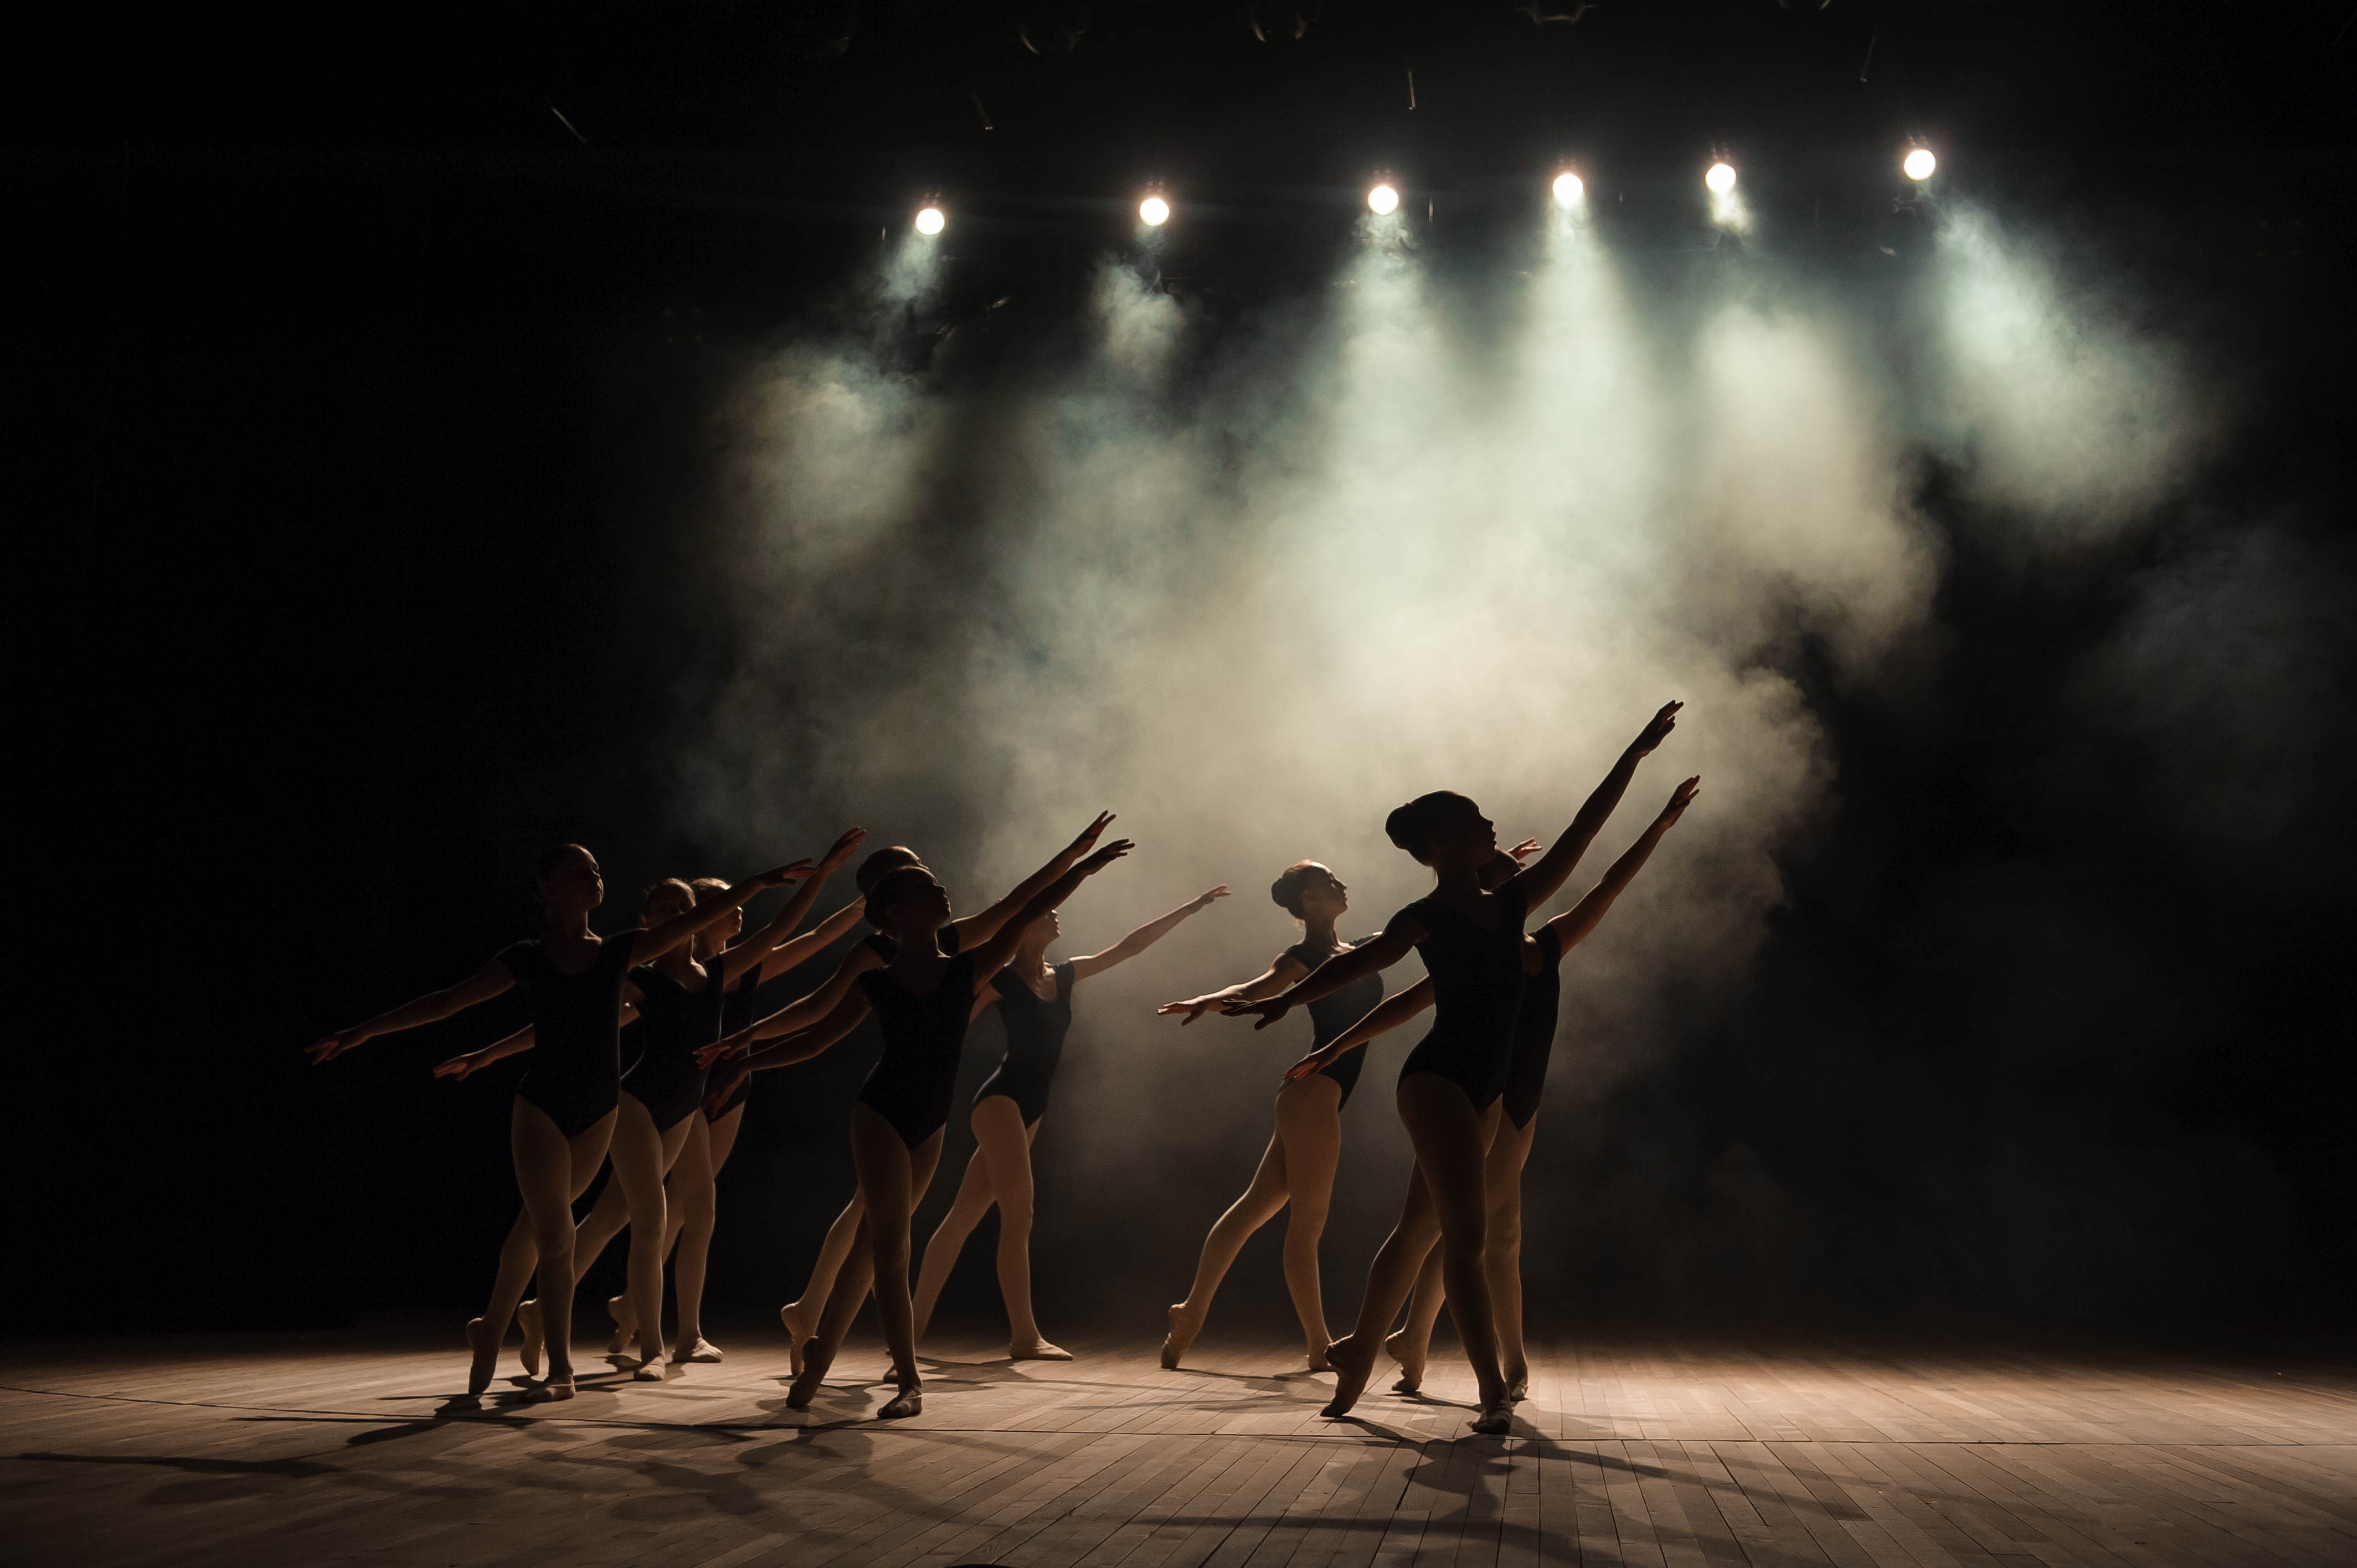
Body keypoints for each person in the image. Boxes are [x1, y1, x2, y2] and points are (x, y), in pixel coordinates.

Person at [1224, 701, 1682, 1433]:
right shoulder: (1424, 918)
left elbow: (1584, 837)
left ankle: (1357, 1363)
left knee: (1417, 1230)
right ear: (1444, 843)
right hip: (1436, 1082)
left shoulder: (1515, 907)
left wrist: (1636, 754)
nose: (1491, 825)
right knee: (1464, 1240)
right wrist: (1283, 1003)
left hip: (1489, 1091)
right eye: (1476, 819)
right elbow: (1369, 969)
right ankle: (1494, 1390)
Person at [306, 844, 803, 1400]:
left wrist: (759, 882)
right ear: (544, 888)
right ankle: (561, 1368)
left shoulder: (619, 954)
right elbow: (448, 1001)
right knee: (556, 1232)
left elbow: (697, 920)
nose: (593, 875)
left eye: (596, 868)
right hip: (541, 1104)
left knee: (539, 1229)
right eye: (577, 869)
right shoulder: (528, 957)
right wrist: (362, 1032)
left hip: (598, 1110)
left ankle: (493, 1325)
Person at [713, 838, 1134, 1418]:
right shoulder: (875, 971)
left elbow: (1019, 909)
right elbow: (818, 1029)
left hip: (929, 1122)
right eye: (921, 884)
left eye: (936, 881)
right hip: (881, 1112)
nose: (939, 886)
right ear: (891, 911)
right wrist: (746, 1054)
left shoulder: (967, 965)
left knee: (870, 1247)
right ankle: (908, 1381)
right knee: (889, 1246)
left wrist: (1082, 867)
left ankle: (814, 1365)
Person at [437, 828, 867, 1371]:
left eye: (685, 907)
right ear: (654, 922)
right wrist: (488, 1054)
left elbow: (791, 929)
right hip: (640, 1101)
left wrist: (827, 874)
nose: (685, 916)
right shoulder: (639, 978)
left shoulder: (718, 972)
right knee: (635, 1216)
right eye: (669, 909)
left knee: (664, 1214)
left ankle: (591, 1322)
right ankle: (625, 1335)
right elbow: (570, 1020)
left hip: (689, 1105)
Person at [1148, 847, 1524, 1373]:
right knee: (1307, 1224)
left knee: (1255, 1207)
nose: (1342, 883)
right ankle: (1318, 1345)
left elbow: (1438, 914)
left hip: (1312, 1093)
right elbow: (1259, 988)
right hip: (1314, 1091)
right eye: (1330, 881)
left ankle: (1189, 1312)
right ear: (1309, 899)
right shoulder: (1303, 957)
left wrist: (1494, 868)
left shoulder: (1363, 947)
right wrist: (1207, 1000)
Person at [908, 884, 1229, 1361]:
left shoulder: (1065, 973)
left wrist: (1191, 905)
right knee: (1020, 1214)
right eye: (1046, 911)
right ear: (1023, 925)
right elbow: (948, 1026)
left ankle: (907, 1337)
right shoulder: (1000, 981)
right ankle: (1023, 1336)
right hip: (1000, 1103)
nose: (1056, 913)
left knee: (963, 1218)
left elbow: (1129, 947)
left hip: (1030, 1107)